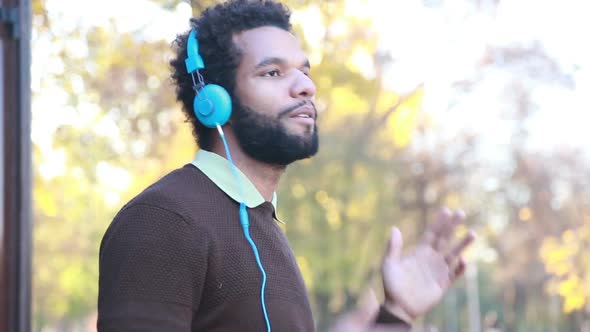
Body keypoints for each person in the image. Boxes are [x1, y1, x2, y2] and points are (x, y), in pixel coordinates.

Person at [97, 0, 476, 331]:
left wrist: (396, 314)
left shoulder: (263, 226)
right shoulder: (163, 221)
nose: (305, 87)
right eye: (273, 73)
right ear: (214, 101)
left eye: (304, 71)